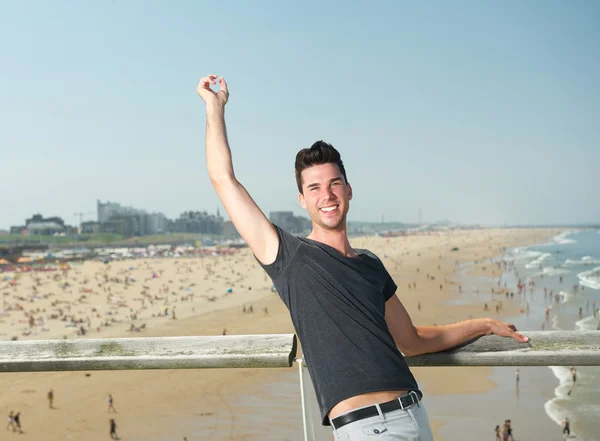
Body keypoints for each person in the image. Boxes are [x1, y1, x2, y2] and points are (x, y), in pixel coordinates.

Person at [197, 74, 529, 440]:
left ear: (349, 190)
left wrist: (482, 324)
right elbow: (222, 179)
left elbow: (413, 341)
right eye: (314, 188)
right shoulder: (289, 255)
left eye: (334, 183)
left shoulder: (371, 265)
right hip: (367, 428)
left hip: (415, 415)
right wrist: (215, 107)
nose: (327, 195)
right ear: (302, 200)